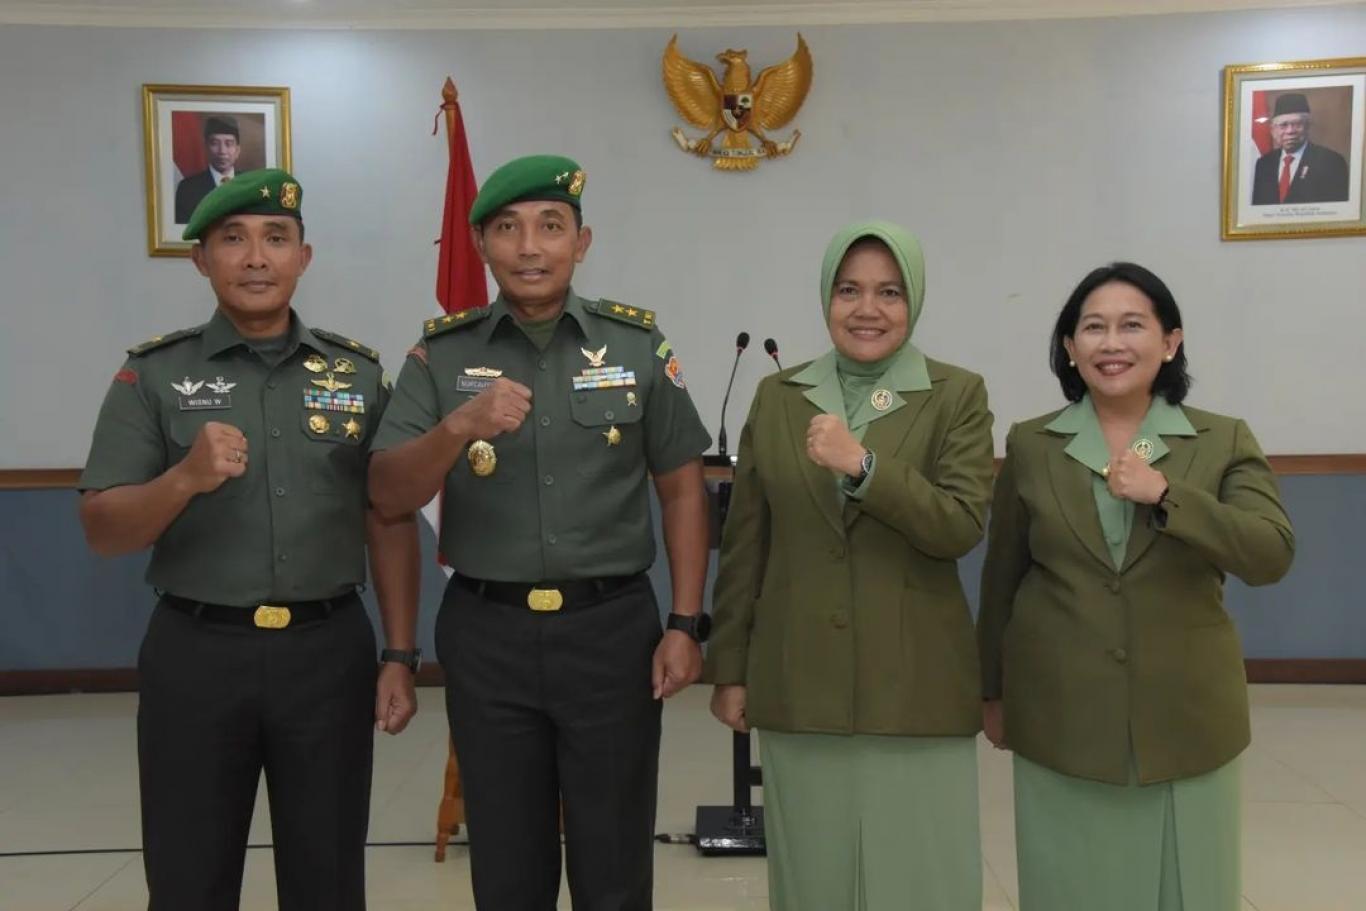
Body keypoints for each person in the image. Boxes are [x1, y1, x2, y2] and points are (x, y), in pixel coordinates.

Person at [368, 154, 713, 911]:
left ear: (581, 243)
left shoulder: (636, 346)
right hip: (489, 634)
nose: (529, 247)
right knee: (506, 866)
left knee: (614, 863)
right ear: (481, 245)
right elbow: (388, 494)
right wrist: (458, 425)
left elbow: (682, 486)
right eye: (508, 229)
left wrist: (685, 621)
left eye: (551, 227)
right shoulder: (441, 355)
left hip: (612, 633)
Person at [78, 169, 420, 911]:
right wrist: (184, 478)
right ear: (201, 259)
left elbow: (388, 517)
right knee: (188, 878)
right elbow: (102, 528)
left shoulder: (357, 374)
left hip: (327, 653)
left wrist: (399, 653)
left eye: (276, 238)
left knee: (328, 879)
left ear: (304, 256)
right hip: (197, 655)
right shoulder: (153, 375)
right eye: (233, 239)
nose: (257, 258)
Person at [977, 262, 1295, 911]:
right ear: (1070, 347)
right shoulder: (1032, 443)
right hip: (1059, 713)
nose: (1111, 343)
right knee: (1071, 884)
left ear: (1170, 341)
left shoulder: (1222, 437)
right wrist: (991, 690)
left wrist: (1168, 495)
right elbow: (1002, 576)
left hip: (1187, 716)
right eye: (1093, 327)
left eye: (1132, 325)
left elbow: (1270, 552)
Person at [705, 221, 995, 910]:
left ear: (914, 299)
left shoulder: (956, 394)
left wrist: (865, 467)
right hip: (800, 683)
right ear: (826, 298)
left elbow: (959, 525)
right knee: (815, 880)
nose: (868, 309)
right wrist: (731, 669)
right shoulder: (779, 397)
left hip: (917, 688)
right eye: (849, 290)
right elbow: (747, 545)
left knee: (921, 882)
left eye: (889, 292)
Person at [1251, 92, 1350, 205]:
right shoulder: (1264, 164)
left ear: (1307, 126)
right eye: (1283, 125)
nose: (1290, 131)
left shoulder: (1331, 161)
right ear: (1273, 130)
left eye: (1297, 124)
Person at [176, 115, 243, 224]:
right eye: (215, 143)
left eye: (229, 144)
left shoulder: (251, 183)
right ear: (206, 148)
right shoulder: (187, 189)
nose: (222, 151)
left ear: (238, 150)